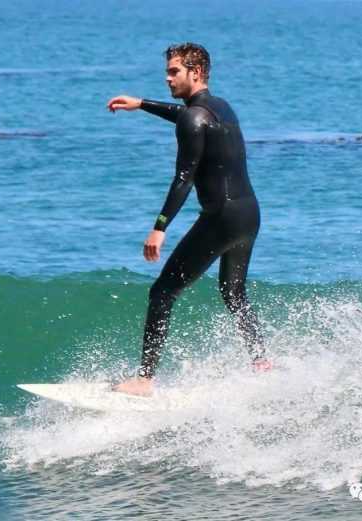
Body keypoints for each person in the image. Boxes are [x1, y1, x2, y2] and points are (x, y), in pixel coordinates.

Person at [107, 43, 271, 396]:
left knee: (163, 291)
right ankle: (261, 361)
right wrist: (142, 104)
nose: (167, 78)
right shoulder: (220, 107)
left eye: (173, 72)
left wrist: (159, 227)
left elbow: (183, 177)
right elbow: (188, 117)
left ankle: (144, 380)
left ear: (194, 73)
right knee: (233, 292)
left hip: (221, 218)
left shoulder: (192, 118)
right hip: (248, 215)